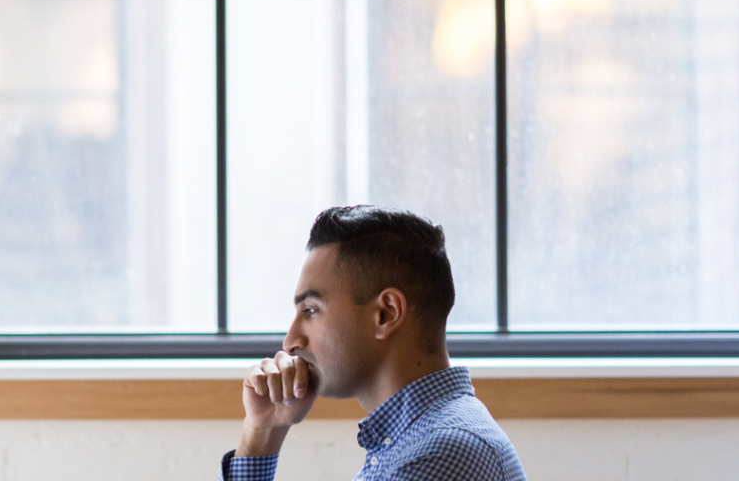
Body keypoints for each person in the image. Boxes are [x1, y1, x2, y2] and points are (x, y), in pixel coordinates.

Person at [219, 205, 526, 481]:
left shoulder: (439, 456)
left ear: (385, 314)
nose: (290, 342)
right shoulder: (409, 442)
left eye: (310, 310)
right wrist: (263, 432)